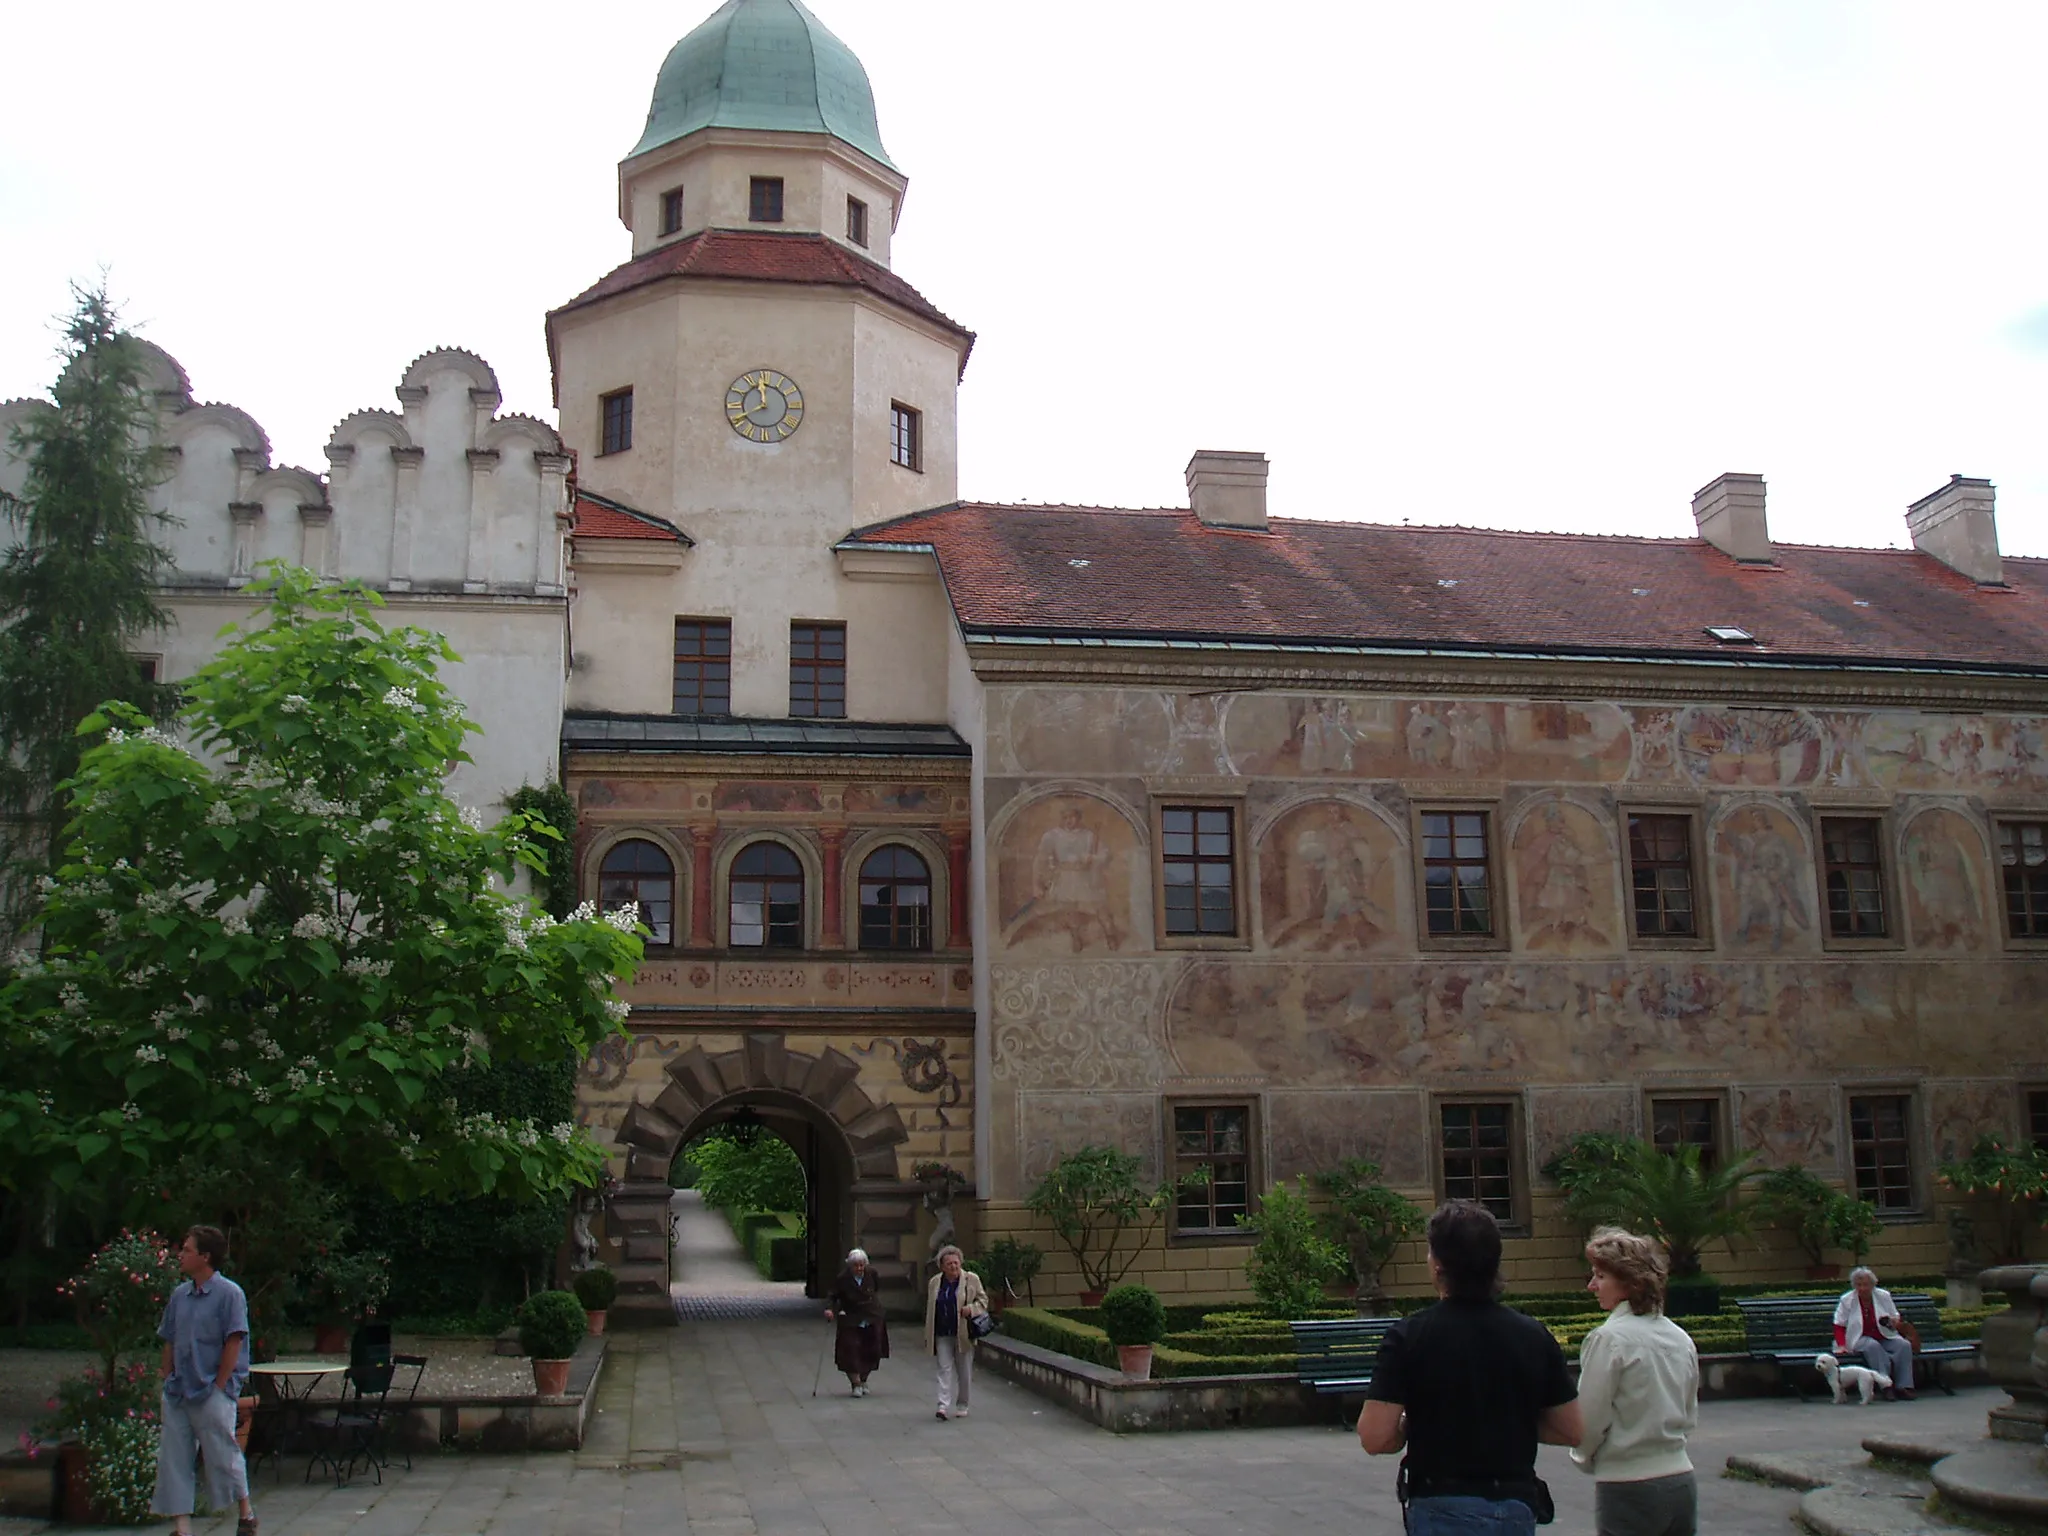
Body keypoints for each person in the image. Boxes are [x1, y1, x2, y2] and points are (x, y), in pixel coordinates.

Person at [1358, 1200, 1581, 1536]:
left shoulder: (1408, 1336)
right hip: (1513, 1503)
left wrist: (1411, 1427)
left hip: (1440, 1502)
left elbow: (1375, 1436)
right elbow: (1571, 1429)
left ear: (1438, 1265)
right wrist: (1507, 1422)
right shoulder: (1532, 1335)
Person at [1571, 1228, 1701, 1536]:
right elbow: (1688, 1412)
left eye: (1600, 1276)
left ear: (1630, 1282)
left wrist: (1584, 1458)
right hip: (1680, 1479)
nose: (1592, 1285)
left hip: (1627, 1484)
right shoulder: (1680, 1338)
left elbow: (1589, 1419)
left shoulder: (1609, 1339)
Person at [151, 1225, 258, 1536]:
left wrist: (220, 1387)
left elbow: (234, 1341)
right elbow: (169, 1338)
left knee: (223, 1454)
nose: (180, 1255)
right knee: (174, 1458)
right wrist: (166, 1376)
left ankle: (245, 1513)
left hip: (211, 1389)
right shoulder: (179, 1296)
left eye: (186, 1249)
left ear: (205, 1256)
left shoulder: (230, 1294)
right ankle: (182, 1528)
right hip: (178, 1391)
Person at [923, 1244, 988, 1421]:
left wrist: (971, 1309)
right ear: (942, 1266)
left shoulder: (971, 1279)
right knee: (943, 1368)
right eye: (949, 1263)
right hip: (942, 1332)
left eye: (956, 1263)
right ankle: (942, 1405)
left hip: (963, 1333)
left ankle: (962, 1404)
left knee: (964, 1371)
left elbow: (983, 1301)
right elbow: (930, 1308)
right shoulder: (935, 1282)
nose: (953, 1266)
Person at [1833, 1267, 1914, 1400]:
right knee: (1872, 1346)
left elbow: (1895, 1315)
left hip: (1884, 1334)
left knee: (1903, 1345)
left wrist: (1894, 1321)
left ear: (1872, 1284)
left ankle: (1903, 1386)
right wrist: (1841, 1345)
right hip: (1859, 1338)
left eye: (1865, 1285)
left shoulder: (1883, 1296)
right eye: (1859, 1285)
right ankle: (1886, 1386)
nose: (1862, 1288)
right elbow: (1838, 1324)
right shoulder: (1847, 1300)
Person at [825, 1247, 889, 1397]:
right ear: (850, 1265)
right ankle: (855, 1383)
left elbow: (876, 1289)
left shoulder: (872, 1274)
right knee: (850, 1349)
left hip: (871, 1315)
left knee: (871, 1349)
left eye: (862, 1265)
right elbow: (832, 1295)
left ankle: (864, 1379)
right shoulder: (843, 1278)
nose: (859, 1268)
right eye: (856, 1265)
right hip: (851, 1316)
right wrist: (830, 1309)